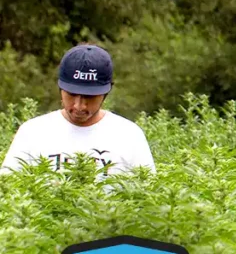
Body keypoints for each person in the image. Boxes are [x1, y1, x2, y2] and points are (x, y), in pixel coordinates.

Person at [1, 44, 155, 177]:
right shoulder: (32, 132)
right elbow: (7, 191)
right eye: (72, 94)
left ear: (105, 93)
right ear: (60, 88)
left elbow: (149, 197)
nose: (79, 106)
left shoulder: (129, 136)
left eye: (90, 96)